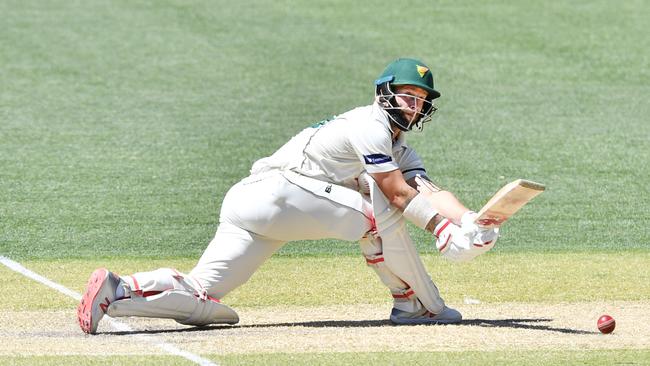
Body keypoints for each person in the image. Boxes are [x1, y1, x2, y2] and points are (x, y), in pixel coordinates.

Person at [77, 58, 499, 334]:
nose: (414, 104)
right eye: (407, 95)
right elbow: (395, 191)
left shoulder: (399, 147)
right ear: (383, 93)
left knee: (205, 300)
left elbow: (425, 188)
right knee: (377, 212)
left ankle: (119, 290)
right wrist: (441, 230)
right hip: (282, 192)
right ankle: (416, 305)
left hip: (254, 203)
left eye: (421, 99)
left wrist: (469, 221)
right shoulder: (369, 125)